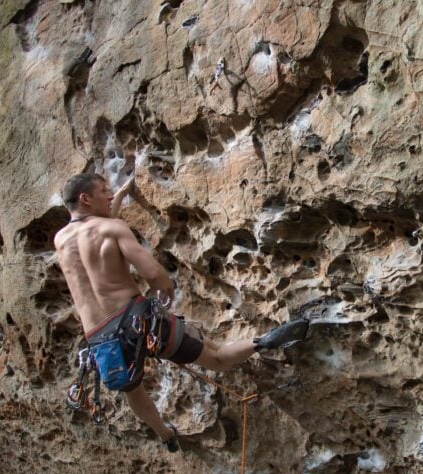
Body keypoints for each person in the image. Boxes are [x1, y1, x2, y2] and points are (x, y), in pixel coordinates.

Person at [53, 172, 309, 450]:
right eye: (105, 191)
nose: (110, 194)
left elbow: (96, 233)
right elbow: (151, 273)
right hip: (139, 321)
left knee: (134, 391)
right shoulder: (112, 229)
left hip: (102, 338)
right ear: (85, 198)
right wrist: (166, 291)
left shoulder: (61, 240)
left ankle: (165, 435)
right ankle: (263, 342)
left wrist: (122, 198)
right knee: (217, 358)